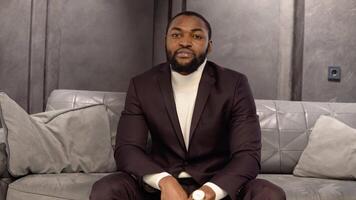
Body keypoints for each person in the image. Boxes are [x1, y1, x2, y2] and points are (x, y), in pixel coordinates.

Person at [90, 11, 286, 200]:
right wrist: (164, 181)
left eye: (196, 36)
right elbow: (127, 149)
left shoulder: (234, 84)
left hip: (215, 186)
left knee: (269, 193)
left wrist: (209, 192)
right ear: (165, 40)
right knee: (107, 189)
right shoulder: (142, 85)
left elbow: (248, 155)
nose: (184, 42)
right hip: (159, 188)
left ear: (209, 46)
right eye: (176, 35)